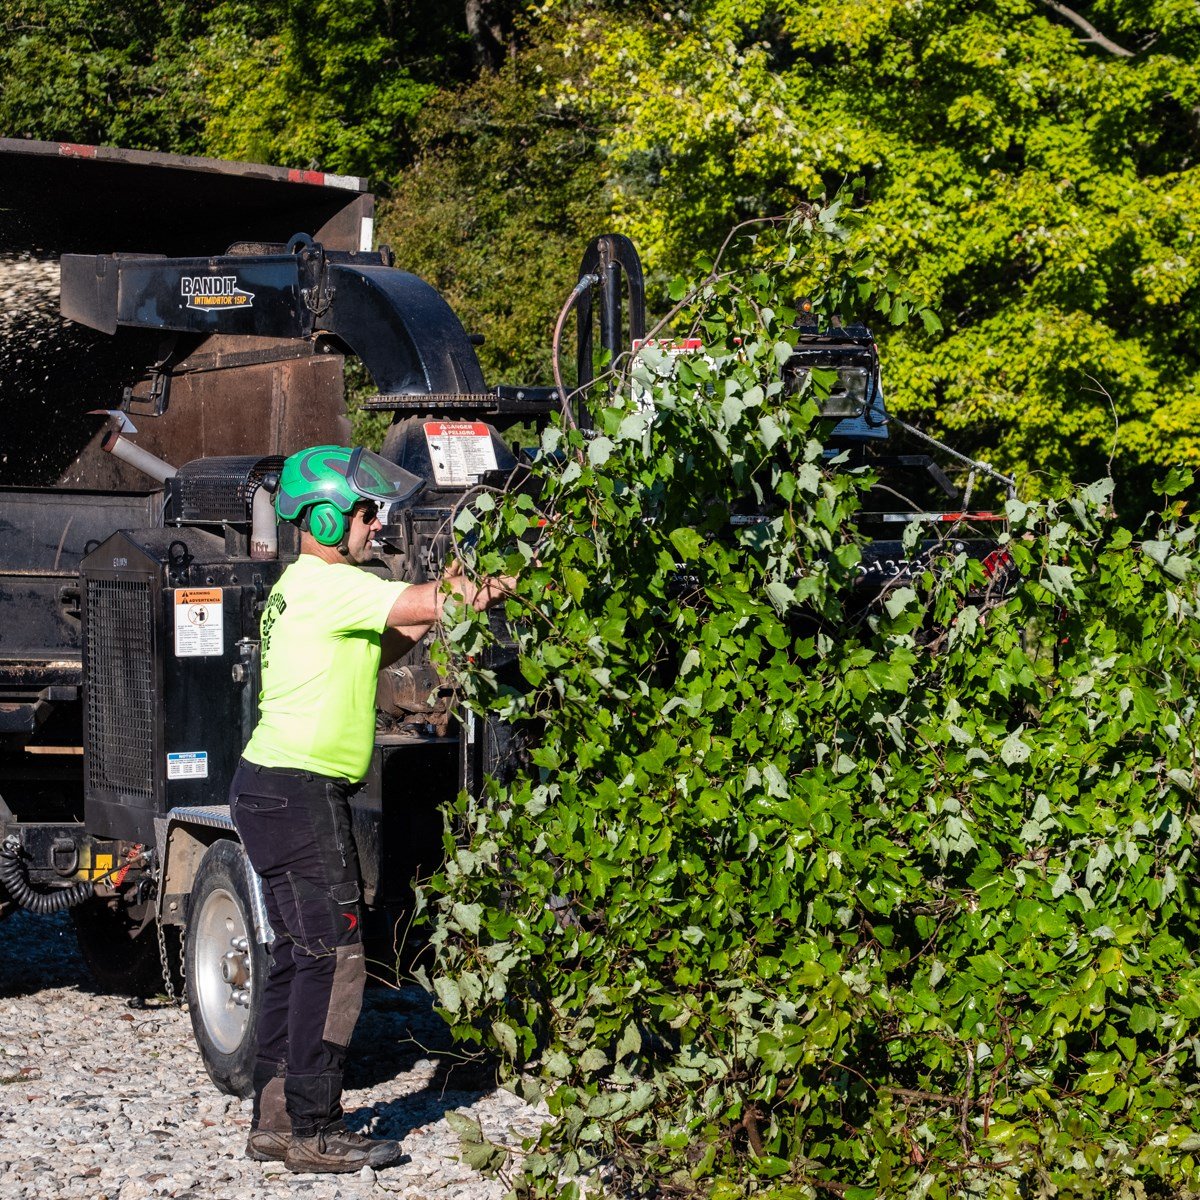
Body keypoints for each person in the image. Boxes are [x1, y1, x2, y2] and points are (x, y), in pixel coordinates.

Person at [228, 444, 509, 1175]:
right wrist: (506, 580)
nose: (373, 523)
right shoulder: (334, 583)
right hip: (298, 790)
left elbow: (381, 645)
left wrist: (439, 603)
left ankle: (276, 1119)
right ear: (326, 518)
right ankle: (316, 1129)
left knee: (297, 955)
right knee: (338, 959)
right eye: (362, 513)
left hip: (268, 788)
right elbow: (436, 603)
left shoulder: (304, 588)